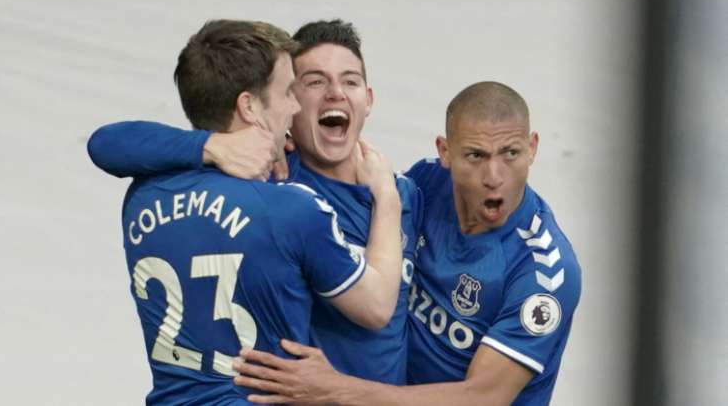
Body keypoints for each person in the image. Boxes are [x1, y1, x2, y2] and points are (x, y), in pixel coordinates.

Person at [87, 19, 404, 405]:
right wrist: (386, 196)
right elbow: (376, 306)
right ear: (249, 105)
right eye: (289, 91)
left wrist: (211, 146)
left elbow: (106, 142)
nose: (295, 104)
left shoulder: (143, 194)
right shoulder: (292, 208)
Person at [231, 82, 582, 406]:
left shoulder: (545, 273)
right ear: (445, 152)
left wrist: (335, 388)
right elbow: (342, 182)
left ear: (532, 148)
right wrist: (280, 147)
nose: (494, 177)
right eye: (475, 156)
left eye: (510, 153)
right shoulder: (427, 184)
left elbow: (481, 398)